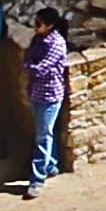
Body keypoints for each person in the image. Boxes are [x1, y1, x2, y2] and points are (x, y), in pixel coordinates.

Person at [18, 16, 71, 193]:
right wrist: (31, 64)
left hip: (50, 95)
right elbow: (30, 58)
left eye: (39, 24)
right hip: (36, 92)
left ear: (50, 25)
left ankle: (37, 179)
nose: (35, 27)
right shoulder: (38, 39)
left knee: (42, 136)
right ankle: (51, 165)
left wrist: (30, 65)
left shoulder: (56, 44)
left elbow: (42, 68)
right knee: (47, 132)